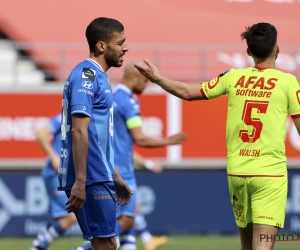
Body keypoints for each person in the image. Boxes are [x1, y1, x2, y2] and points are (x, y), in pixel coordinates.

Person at [134, 23, 300, 250]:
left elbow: (187, 92)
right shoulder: (288, 82)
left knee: (246, 245)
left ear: (249, 52)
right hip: (269, 174)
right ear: (277, 49)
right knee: (263, 244)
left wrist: (159, 79)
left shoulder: (233, 77)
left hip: (238, 172)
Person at [69, 63, 186, 250]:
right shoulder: (129, 101)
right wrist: (168, 141)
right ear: (133, 78)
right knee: (125, 222)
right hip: (122, 172)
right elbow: (139, 138)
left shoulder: (110, 97)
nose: (147, 84)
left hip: (105, 167)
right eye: (145, 80)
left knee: (123, 223)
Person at [57, 17, 132, 250]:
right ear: (101, 46)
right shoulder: (86, 77)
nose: (125, 48)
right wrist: (81, 181)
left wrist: (115, 174)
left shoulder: (100, 77)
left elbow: (101, 136)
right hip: (90, 175)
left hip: (99, 172)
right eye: (120, 43)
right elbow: (79, 131)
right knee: (107, 244)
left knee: (107, 243)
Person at [28, 113, 78, 250]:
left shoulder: (88, 119)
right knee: (73, 214)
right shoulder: (67, 116)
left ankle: (35, 246)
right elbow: (41, 134)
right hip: (56, 173)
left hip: (66, 175)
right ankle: (39, 246)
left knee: (57, 220)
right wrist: (54, 157)